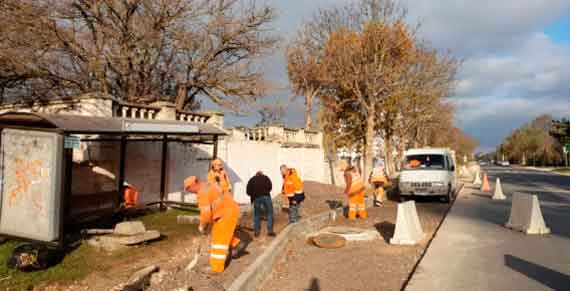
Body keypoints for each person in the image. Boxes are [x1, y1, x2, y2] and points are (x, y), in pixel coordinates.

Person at [184, 176, 245, 273]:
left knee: (218, 241)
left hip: (226, 213)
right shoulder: (207, 185)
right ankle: (237, 244)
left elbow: (206, 214)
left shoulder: (202, 193)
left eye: (189, 190)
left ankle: (216, 268)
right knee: (218, 232)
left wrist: (202, 226)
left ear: (192, 186)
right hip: (228, 209)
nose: (190, 192)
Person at [246, 171, 275, 237]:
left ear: (256, 175)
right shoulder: (266, 178)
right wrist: (266, 191)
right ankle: (270, 231)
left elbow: (248, 191)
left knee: (257, 215)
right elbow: (270, 186)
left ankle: (256, 232)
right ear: (262, 174)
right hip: (266, 196)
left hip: (256, 198)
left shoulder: (252, 179)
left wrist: (253, 194)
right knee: (270, 213)